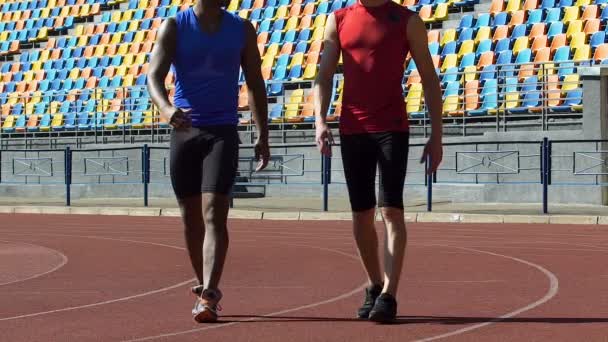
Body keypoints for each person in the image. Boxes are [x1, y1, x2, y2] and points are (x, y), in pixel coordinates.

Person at [313, 0, 444, 323]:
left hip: (392, 128)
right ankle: (374, 283)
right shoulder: (339, 19)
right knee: (361, 214)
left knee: (391, 210)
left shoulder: (406, 20)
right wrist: (320, 120)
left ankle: (389, 293)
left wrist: (436, 134)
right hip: (352, 127)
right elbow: (324, 74)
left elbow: (428, 77)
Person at [147, 0, 270, 323]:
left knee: (215, 210)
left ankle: (209, 295)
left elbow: (255, 82)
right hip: (185, 130)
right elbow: (153, 77)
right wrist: (166, 108)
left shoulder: (241, 29)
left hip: (223, 131)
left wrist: (262, 133)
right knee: (190, 217)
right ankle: (203, 284)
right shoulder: (174, 26)